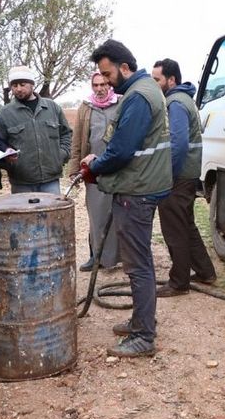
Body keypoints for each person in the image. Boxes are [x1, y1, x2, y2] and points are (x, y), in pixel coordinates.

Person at [81, 40, 179, 357]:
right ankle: (141, 321)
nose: (107, 81)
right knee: (141, 262)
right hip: (144, 186)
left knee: (138, 266)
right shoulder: (148, 90)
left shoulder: (137, 97)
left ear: (124, 67)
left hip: (136, 191)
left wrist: (95, 166)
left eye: (108, 74)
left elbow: (122, 151)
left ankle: (143, 336)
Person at [151, 59, 216, 297]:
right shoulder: (185, 99)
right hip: (188, 174)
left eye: (157, 79)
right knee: (186, 224)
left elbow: (177, 145)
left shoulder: (175, 103)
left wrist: (167, 174)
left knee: (174, 228)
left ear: (171, 80)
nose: (154, 84)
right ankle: (206, 272)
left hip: (177, 177)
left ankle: (179, 283)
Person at [67, 72, 121, 272]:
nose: (99, 89)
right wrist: (74, 168)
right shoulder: (86, 107)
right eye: (95, 85)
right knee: (96, 216)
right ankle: (96, 257)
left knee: (119, 215)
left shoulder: (121, 103)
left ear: (110, 85)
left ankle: (119, 258)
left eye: (103, 84)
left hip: (119, 168)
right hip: (94, 171)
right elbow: (77, 141)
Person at [0, 65, 72, 194]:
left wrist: (61, 155)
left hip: (51, 180)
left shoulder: (52, 108)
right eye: (14, 86)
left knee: (52, 208)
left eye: (22, 84)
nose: (18, 89)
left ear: (32, 84)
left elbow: (66, 134)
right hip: (21, 182)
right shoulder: (5, 113)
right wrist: (8, 156)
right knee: (23, 209)